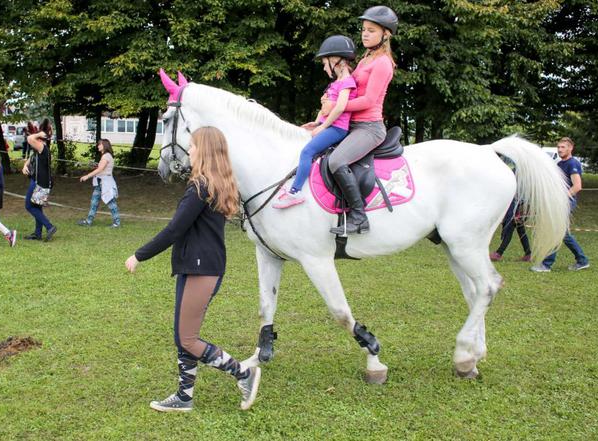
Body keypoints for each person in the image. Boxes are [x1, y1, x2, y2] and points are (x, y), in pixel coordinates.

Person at [125, 127, 261, 413]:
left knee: (187, 338)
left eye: (193, 146)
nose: (189, 150)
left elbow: (175, 229)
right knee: (183, 334)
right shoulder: (214, 183)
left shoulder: (201, 186)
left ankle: (243, 373)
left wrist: (139, 256)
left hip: (202, 270)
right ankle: (184, 396)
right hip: (198, 267)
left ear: (205, 150)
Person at [308, 5, 397, 234]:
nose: (365, 34)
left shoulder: (383, 63)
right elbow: (349, 89)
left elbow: (368, 100)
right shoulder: (365, 60)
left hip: (369, 128)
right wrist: (325, 111)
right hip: (350, 124)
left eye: (371, 30)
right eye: (364, 29)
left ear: (385, 34)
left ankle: (359, 217)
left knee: (337, 161)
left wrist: (337, 106)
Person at [273, 35, 358, 209]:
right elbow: (326, 108)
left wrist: (324, 127)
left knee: (307, 152)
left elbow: (340, 108)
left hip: (337, 128)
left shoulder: (347, 83)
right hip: (329, 126)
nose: (324, 67)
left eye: (325, 63)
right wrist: (317, 122)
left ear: (336, 61)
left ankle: (295, 192)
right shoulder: (336, 83)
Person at [531, 137, 590, 272]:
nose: (559, 149)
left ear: (570, 148)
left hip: (566, 202)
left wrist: (561, 199)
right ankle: (582, 260)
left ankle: (546, 265)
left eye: (563, 147)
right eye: (558, 147)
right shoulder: (559, 164)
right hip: (559, 202)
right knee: (563, 234)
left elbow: (577, 186)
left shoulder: (572, 163)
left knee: (556, 232)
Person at [22, 118, 56, 241]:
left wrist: (38, 135)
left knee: (29, 206)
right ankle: (37, 233)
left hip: (39, 182)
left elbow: (29, 139)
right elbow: (32, 157)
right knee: (37, 207)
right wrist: (25, 165)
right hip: (41, 181)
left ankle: (50, 226)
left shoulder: (42, 146)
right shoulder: (40, 148)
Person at [77, 139, 121, 227]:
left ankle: (117, 223)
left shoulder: (106, 156)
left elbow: (100, 169)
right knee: (94, 202)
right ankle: (88, 221)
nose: (98, 146)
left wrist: (87, 176)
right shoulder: (105, 156)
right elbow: (101, 167)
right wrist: (94, 165)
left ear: (104, 145)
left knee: (111, 202)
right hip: (100, 183)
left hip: (106, 183)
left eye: (99, 144)